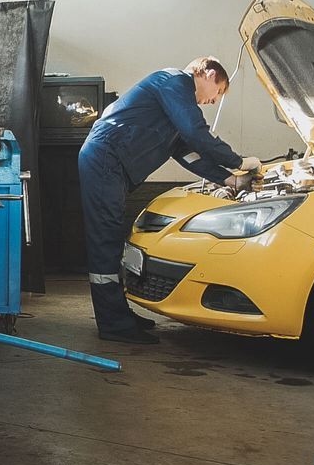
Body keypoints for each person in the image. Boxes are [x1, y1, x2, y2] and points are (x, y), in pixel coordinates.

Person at [79, 57, 260, 344]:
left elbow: (189, 154)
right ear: (209, 74)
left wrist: (230, 180)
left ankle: (118, 313)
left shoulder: (174, 109)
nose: (214, 101)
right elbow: (196, 133)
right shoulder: (174, 82)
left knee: (112, 239)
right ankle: (113, 324)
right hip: (105, 160)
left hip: (111, 165)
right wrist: (238, 161)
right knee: (106, 240)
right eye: (219, 91)